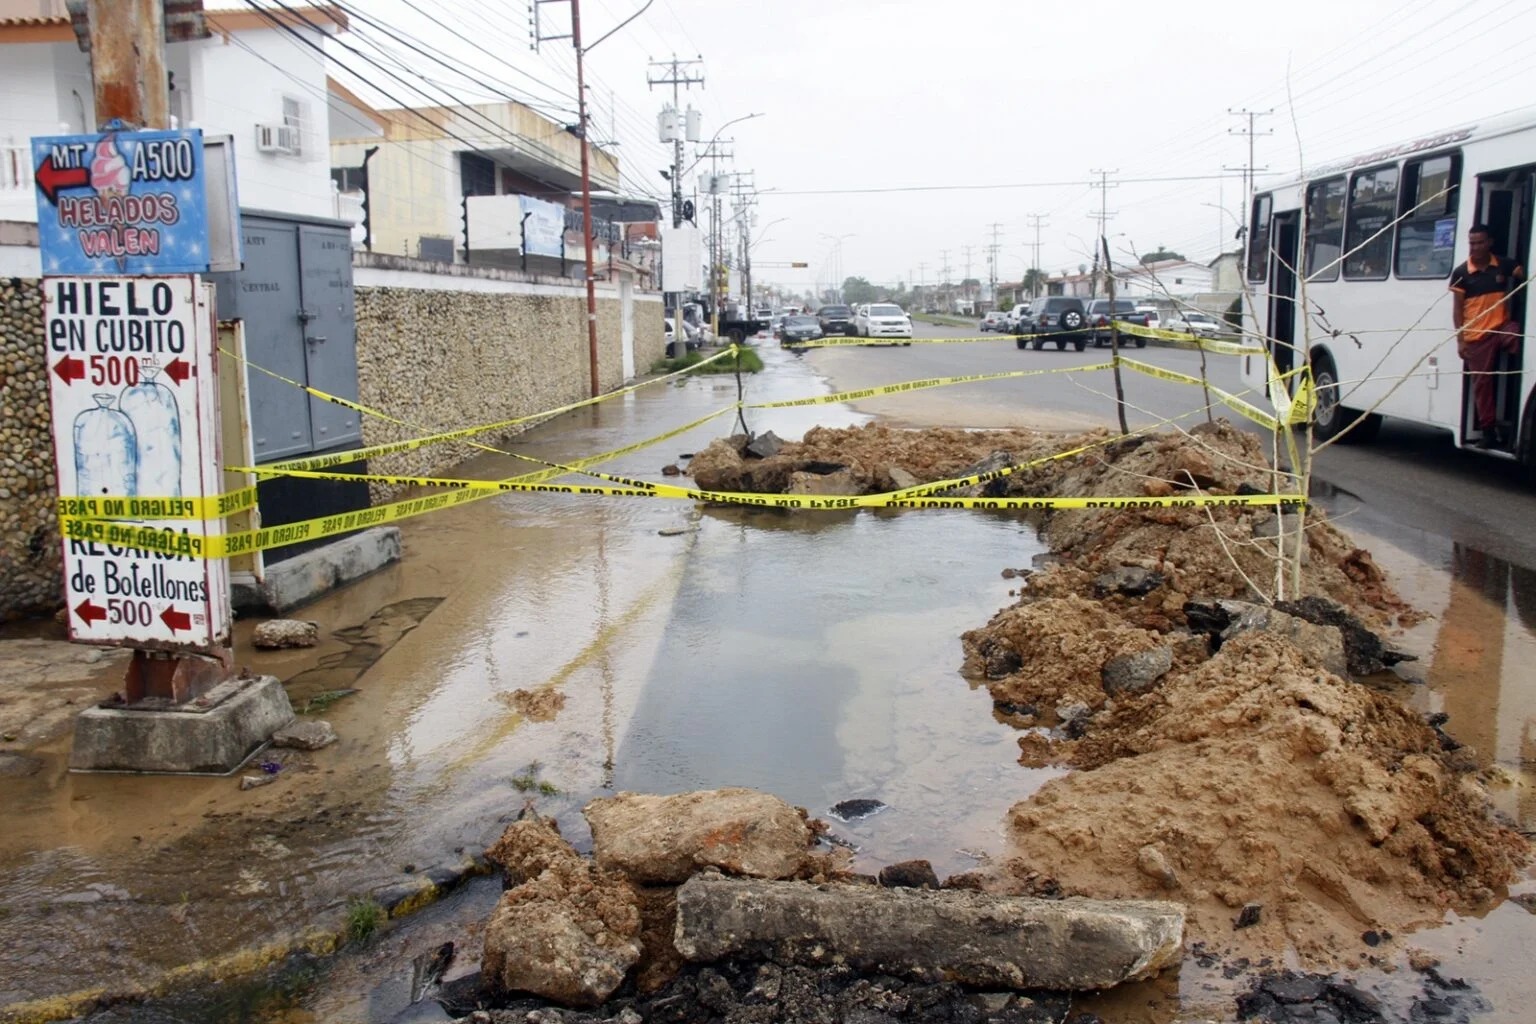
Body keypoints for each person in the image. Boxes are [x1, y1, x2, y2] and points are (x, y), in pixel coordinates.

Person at [1450, 224, 1524, 447]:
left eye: (1480, 242)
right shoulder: (1462, 273)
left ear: (1489, 243)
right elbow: (1457, 309)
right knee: (1483, 384)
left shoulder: (1502, 265)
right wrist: (1460, 340)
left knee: (1522, 340)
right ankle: (1488, 431)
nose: (1476, 247)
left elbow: (1523, 274)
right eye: (1472, 243)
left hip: (1501, 327)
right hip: (1476, 336)